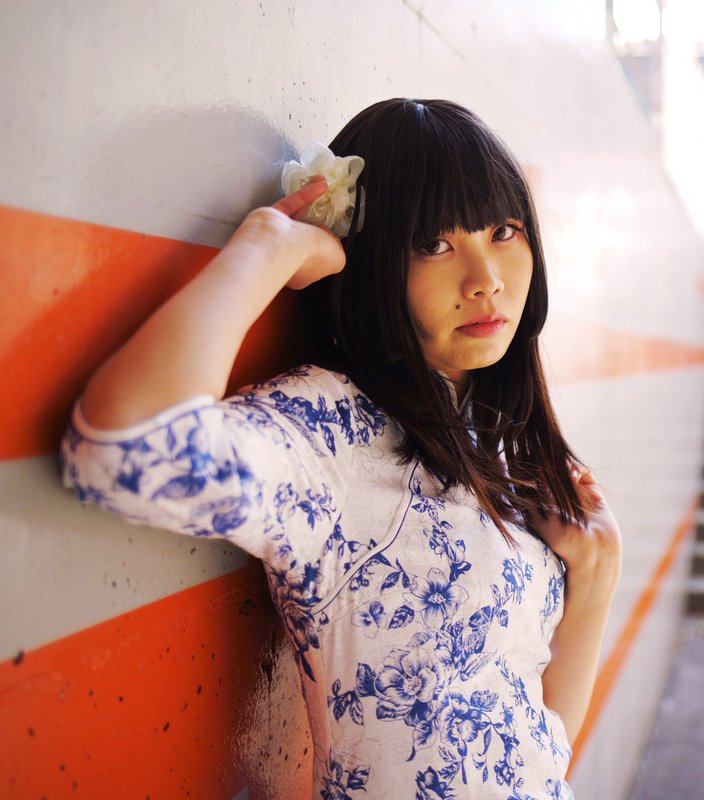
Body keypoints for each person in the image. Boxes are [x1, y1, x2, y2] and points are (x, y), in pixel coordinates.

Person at [59, 98, 621, 800]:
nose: (486, 278)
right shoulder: (335, 433)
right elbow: (127, 450)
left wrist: (595, 582)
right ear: (373, 260)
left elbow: (536, 751)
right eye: (433, 244)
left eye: (502, 231)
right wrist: (268, 249)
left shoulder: (490, 437)